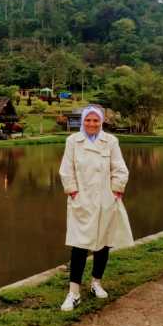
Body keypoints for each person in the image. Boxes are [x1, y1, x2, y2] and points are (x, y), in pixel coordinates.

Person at [58, 104, 134, 311]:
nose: (92, 124)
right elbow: (66, 170)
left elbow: (120, 168)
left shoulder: (110, 141)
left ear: (101, 122)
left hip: (106, 201)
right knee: (79, 245)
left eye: (96, 120)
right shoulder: (73, 141)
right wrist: (73, 192)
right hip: (81, 201)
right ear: (83, 121)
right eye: (88, 120)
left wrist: (116, 191)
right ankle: (73, 292)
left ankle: (96, 283)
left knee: (103, 243)